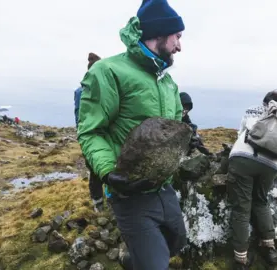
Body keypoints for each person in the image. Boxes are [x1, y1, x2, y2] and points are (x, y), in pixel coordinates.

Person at [76, 0, 186, 269]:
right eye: (177, 37)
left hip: (164, 188)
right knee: (156, 264)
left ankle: (131, 257)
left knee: (177, 242)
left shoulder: (168, 82)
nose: (180, 46)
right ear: (158, 34)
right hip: (129, 193)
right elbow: (91, 131)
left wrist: (187, 139)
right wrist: (108, 174)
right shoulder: (108, 71)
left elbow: (177, 126)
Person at [227, 90, 277, 269]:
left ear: (265, 102)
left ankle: (241, 259)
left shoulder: (252, 110)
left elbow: (241, 132)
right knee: (261, 201)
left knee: (242, 207)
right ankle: (269, 247)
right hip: (271, 166)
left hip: (243, 158)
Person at [74, 52, 104, 212]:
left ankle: (102, 201)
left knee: (102, 169)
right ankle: (98, 203)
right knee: (95, 169)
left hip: (101, 134)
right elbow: (80, 117)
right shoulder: (82, 92)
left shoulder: (82, 91)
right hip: (92, 135)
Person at [179, 92, 212, 156]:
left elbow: (192, 128)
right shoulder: (171, 117)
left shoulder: (185, 117)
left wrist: (195, 136)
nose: (185, 110)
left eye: (187, 108)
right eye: (183, 107)